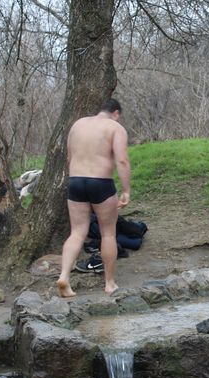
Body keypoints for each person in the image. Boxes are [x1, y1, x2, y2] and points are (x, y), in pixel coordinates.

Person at [57, 98, 131, 297]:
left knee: (77, 232)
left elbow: (69, 158)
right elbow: (122, 161)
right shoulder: (115, 128)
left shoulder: (77, 125)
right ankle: (109, 283)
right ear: (116, 113)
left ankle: (64, 277)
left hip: (76, 182)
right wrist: (126, 190)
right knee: (108, 234)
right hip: (101, 183)